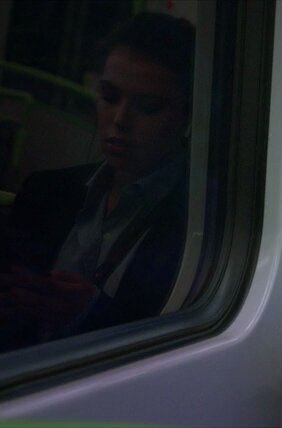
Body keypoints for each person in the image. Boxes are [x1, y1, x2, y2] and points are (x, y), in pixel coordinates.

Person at [0, 12, 194, 350]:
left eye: (148, 106)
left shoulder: (200, 222)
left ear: (189, 115)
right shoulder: (44, 191)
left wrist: (91, 313)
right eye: (109, 97)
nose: (120, 120)